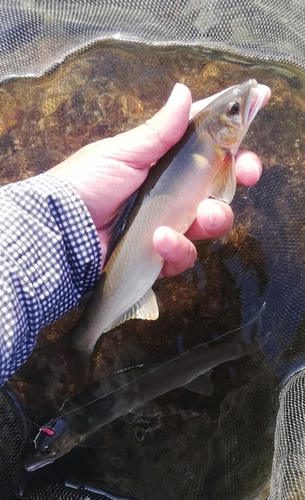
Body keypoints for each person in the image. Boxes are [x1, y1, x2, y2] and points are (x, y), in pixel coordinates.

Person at [0, 83, 262, 386]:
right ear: (217, 130)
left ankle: (81, 340)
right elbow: (224, 191)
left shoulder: (216, 147)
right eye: (234, 111)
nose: (239, 111)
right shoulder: (220, 154)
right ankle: (80, 343)